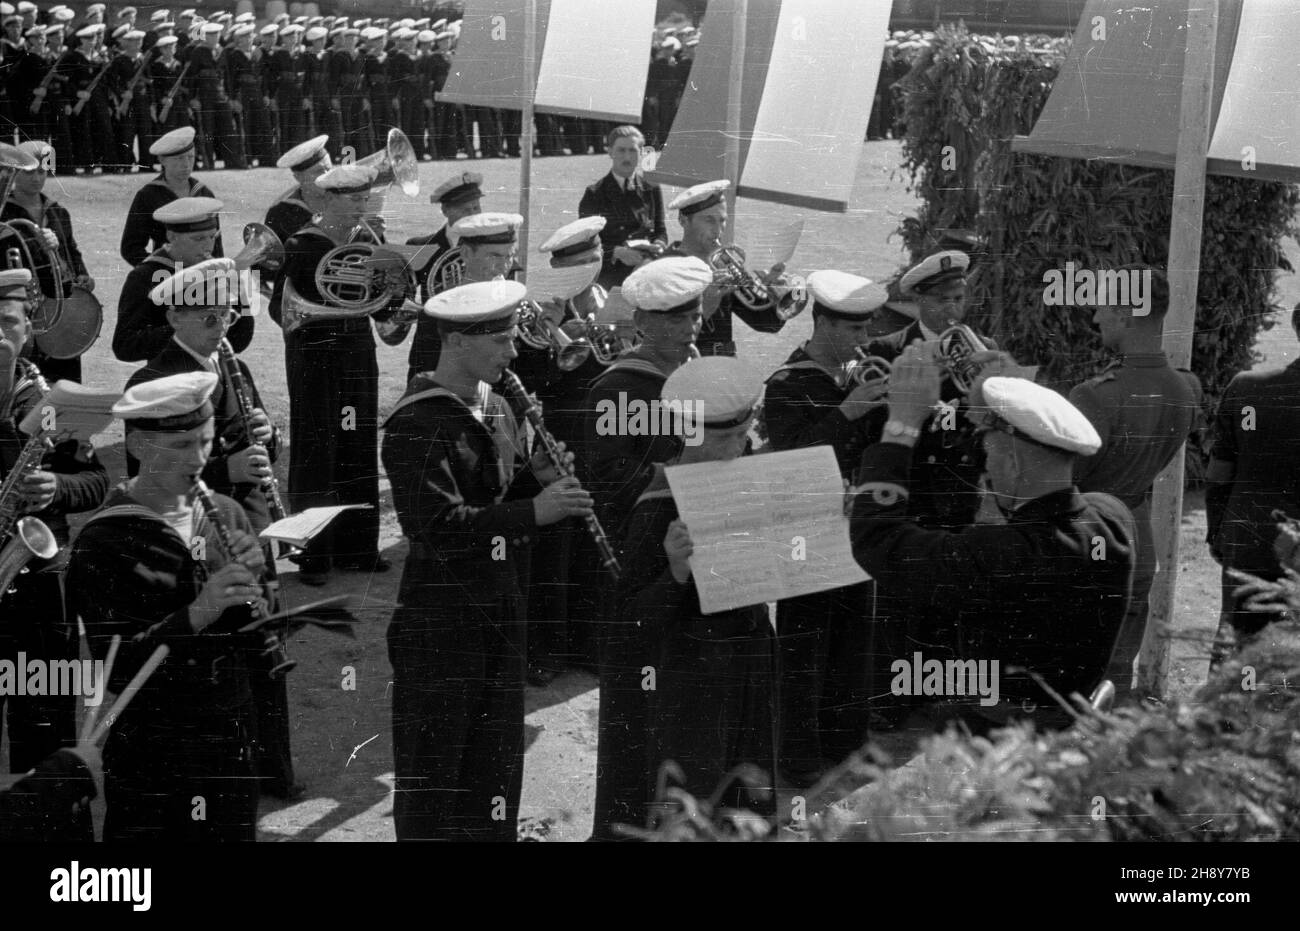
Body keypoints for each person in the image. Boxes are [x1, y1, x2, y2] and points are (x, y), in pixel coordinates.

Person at [382, 278, 594, 841]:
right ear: (455, 343)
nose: (513, 351)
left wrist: (539, 479)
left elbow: (499, 491)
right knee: (436, 770)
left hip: (501, 607)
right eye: (500, 340)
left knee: (495, 763)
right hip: (441, 620)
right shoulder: (416, 422)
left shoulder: (497, 404)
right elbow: (436, 527)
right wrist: (536, 512)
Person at [849, 352, 1136, 733]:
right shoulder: (1112, 518)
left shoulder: (1003, 555)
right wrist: (986, 406)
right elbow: (1028, 496)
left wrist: (900, 427)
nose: (984, 467)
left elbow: (879, 539)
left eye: (989, 454)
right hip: (1069, 718)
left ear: (1014, 465)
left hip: (1000, 736)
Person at [124, 257, 300, 801]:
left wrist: (266, 436)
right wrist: (227, 468)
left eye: (224, 313)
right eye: (206, 317)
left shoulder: (231, 362)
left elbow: (254, 432)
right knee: (221, 653)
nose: (220, 326)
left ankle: (274, 769)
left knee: (264, 644)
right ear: (175, 317)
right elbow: (140, 473)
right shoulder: (153, 379)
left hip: (247, 522)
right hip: (198, 533)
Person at [67, 371, 266, 841]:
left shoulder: (226, 512)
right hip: (156, 750)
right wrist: (198, 612)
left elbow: (257, 638)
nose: (197, 459)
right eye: (179, 447)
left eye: (205, 441)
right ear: (136, 446)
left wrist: (259, 592)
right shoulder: (104, 540)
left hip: (230, 735)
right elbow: (116, 671)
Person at [616, 356, 775, 828]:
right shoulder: (656, 508)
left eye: (742, 435)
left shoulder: (748, 481)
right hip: (690, 685)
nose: (736, 448)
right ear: (689, 433)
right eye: (724, 438)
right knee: (695, 801)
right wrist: (676, 571)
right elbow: (630, 622)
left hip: (746, 664)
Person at [583, 255, 709, 840]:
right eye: (675, 316)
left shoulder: (694, 369)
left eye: (694, 311)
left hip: (694, 547)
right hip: (639, 553)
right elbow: (610, 478)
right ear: (643, 322)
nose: (691, 324)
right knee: (637, 698)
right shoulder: (620, 387)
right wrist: (681, 474)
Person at [763, 270, 890, 783]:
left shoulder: (855, 376)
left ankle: (846, 744)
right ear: (825, 324)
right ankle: (796, 757)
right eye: (855, 332)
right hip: (806, 530)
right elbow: (792, 458)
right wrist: (848, 411)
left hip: (854, 524)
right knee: (805, 643)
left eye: (866, 332)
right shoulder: (787, 383)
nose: (865, 343)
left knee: (854, 637)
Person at [1068, 269, 1201, 700]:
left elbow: (1062, 481)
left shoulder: (1095, 395)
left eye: (1103, 307)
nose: (1094, 318)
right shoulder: (1183, 390)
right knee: (1117, 673)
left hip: (1090, 541)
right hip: (1138, 541)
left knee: (1075, 674)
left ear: (1126, 314)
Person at [0, 268, 109, 776]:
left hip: (39, 582)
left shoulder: (55, 400)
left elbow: (95, 482)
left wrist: (57, 488)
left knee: (44, 735)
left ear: (28, 327)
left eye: (8, 322)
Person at [270, 162, 389, 584]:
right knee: (317, 449)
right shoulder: (303, 244)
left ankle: (359, 548)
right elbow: (278, 308)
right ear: (330, 199)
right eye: (353, 200)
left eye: (364, 199)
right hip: (314, 355)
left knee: (358, 445)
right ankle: (314, 554)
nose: (361, 207)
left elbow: (383, 297)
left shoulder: (371, 239)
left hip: (357, 353)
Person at [1207, 303, 1300, 654]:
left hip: (1247, 538)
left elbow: (1218, 474)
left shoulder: (1247, 388)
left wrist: (1217, 532)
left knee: (1237, 650)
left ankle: (1225, 709)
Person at [114, 196, 251, 363]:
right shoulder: (145, 275)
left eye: (212, 237)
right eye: (199, 239)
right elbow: (125, 345)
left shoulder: (217, 270)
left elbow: (240, 341)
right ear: (172, 236)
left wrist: (241, 297)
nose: (208, 246)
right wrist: (185, 328)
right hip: (170, 373)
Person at [2, 140, 95, 383]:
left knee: (65, 381)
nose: (37, 178)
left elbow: (72, 251)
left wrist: (81, 274)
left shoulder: (58, 212)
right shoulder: (5, 213)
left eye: (42, 172)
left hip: (59, 308)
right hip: (24, 307)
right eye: (30, 172)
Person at [663, 180, 791, 357]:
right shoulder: (664, 268)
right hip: (688, 366)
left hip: (725, 366)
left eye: (722, 221)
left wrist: (773, 293)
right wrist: (704, 308)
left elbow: (766, 323)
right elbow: (660, 341)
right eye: (709, 220)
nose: (718, 230)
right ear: (683, 220)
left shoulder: (724, 261)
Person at [400, 171, 484, 381]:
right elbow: (400, 295)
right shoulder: (420, 247)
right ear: (446, 210)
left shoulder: (494, 244)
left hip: (479, 347)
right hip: (432, 350)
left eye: (476, 207)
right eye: (466, 210)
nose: (474, 214)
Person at [119, 126, 224, 268]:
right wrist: (155, 270)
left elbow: (216, 246)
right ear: (162, 160)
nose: (186, 165)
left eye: (190, 157)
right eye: (179, 159)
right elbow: (130, 247)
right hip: (165, 278)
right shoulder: (148, 195)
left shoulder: (204, 193)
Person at [577, 125, 667, 291]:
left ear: (641, 153)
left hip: (647, 271)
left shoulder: (651, 188)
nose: (627, 157)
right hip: (610, 277)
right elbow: (585, 245)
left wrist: (659, 246)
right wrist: (616, 252)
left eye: (633, 150)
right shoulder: (595, 193)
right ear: (610, 152)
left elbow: (660, 230)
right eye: (621, 150)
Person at [189, 21, 244, 170]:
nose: (214, 38)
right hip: (204, 97)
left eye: (216, 35)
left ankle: (232, 162)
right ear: (205, 36)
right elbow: (192, 77)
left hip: (221, 96)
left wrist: (231, 98)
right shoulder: (198, 52)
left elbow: (227, 77)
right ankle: (209, 163)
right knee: (207, 131)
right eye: (210, 35)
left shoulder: (222, 51)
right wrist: (192, 98)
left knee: (228, 129)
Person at [264, 133, 331, 246]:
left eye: (329, 169)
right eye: (318, 171)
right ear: (298, 177)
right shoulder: (281, 213)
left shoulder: (347, 199)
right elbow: (267, 260)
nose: (327, 176)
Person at [107, 29, 153, 171]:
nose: (138, 44)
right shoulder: (119, 60)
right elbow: (113, 82)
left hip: (142, 100)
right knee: (127, 134)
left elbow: (150, 81)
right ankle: (126, 164)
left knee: (145, 134)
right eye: (134, 41)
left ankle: (146, 165)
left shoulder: (143, 58)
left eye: (139, 41)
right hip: (128, 101)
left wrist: (151, 101)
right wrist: (122, 94)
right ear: (127, 43)